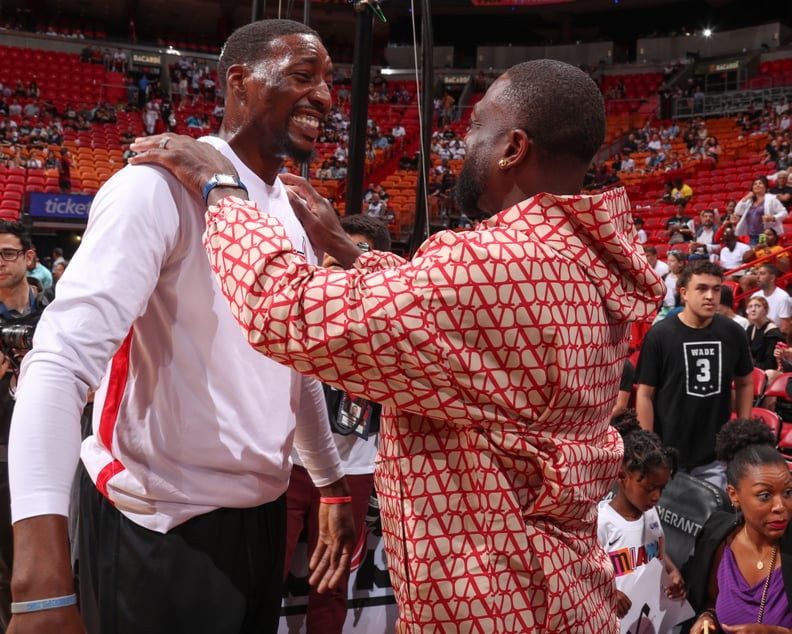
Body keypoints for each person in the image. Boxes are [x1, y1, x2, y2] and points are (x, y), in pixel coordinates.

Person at [130, 58, 666, 633]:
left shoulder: (492, 266)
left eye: (475, 126)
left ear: (512, 148)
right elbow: (458, 331)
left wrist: (222, 191)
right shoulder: (581, 258)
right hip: (562, 585)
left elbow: (285, 312)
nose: (463, 140)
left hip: (495, 601)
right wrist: (345, 245)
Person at [7, 19, 355, 634]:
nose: (325, 96)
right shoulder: (154, 186)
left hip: (261, 516)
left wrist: (328, 484)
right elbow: (57, 364)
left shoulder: (289, 211)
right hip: (159, 523)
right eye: (304, 76)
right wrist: (39, 579)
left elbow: (293, 364)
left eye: (329, 81)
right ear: (240, 83)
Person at [282, 214, 391, 633]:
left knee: (331, 585)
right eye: (335, 260)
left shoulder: (386, 319)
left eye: (355, 261)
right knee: (263, 574)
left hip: (354, 470)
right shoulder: (301, 308)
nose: (342, 275)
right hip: (293, 462)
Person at [636, 260, 754, 491]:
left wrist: (742, 428)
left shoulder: (733, 332)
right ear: (684, 293)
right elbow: (645, 395)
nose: (710, 296)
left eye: (716, 289)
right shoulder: (659, 335)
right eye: (701, 288)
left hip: (715, 455)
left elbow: (745, 383)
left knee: (711, 523)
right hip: (667, 453)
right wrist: (649, 445)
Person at [682, 417, 792, 633]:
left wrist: (777, 632)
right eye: (765, 495)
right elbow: (709, 602)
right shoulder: (717, 536)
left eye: (788, 492)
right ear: (734, 495)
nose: (780, 506)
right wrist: (706, 619)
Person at [0, 222, 54, 631]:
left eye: (8, 253)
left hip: (52, 440)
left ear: (28, 258)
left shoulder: (56, 309)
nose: (0, 263)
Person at [597, 410, 685, 620]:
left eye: (662, 489)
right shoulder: (601, 522)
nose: (656, 497)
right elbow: (582, 577)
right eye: (649, 488)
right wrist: (609, 594)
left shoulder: (651, 513)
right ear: (621, 476)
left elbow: (655, 549)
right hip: (613, 622)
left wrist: (672, 571)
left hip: (649, 618)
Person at [735, 176, 787, 246]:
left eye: (760, 183)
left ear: (765, 187)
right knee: (755, 256)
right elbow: (738, 211)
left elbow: (784, 212)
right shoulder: (749, 201)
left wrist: (773, 218)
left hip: (766, 235)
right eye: (755, 184)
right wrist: (746, 197)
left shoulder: (771, 199)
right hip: (753, 235)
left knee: (765, 255)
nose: (757, 185)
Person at [745, 296, 786, 370]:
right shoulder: (750, 329)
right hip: (753, 368)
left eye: (758, 306)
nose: (753, 309)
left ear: (766, 310)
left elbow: (770, 364)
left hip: (768, 372)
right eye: (750, 307)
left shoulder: (773, 334)